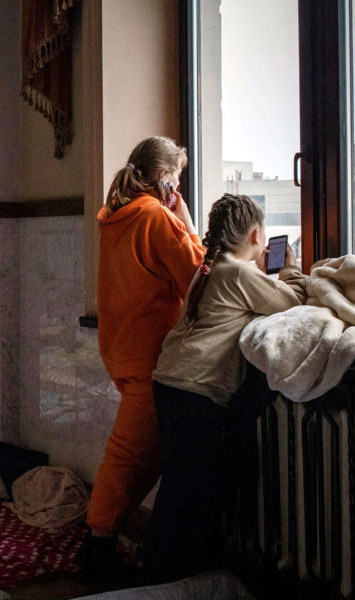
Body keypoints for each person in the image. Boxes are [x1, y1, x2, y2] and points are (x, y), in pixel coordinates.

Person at [144, 194, 306, 582]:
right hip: (196, 389)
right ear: (255, 234)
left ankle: (163, 572)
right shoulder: (238, 273)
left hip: (170, 381)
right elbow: (293, 303)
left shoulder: (208, 267)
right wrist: (290, 269)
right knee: (195, 491)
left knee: (180, 484)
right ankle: (175, 576)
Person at [83, 136, 206, 580]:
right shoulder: (155, 217)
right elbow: (198, 279)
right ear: (166, 181)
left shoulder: (116, 217)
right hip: (153, 355)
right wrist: (187, 221)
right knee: (129, 454)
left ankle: (107, 538)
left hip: (122, 348)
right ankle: (96, 545)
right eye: (177, 179)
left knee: (146, 452)